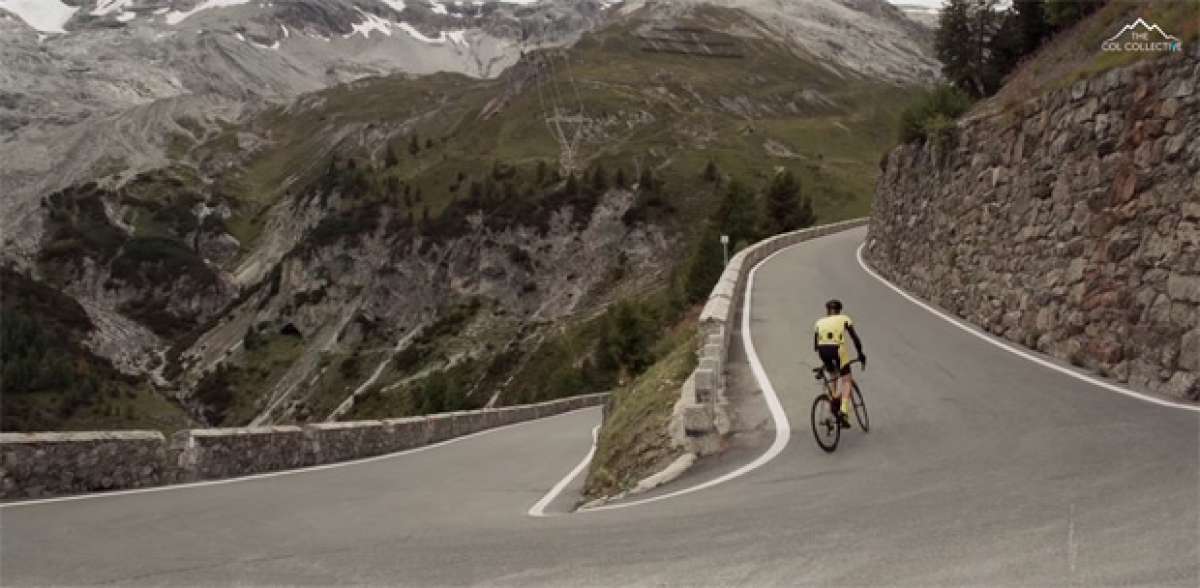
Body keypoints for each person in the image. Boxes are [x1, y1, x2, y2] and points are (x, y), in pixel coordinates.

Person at [814, 299, 865, 428]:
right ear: (839, 311)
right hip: (837, 350)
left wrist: (826, 362)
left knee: (833, 377)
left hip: (823, 351)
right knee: (847, 380)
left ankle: (829, 411)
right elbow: (855, 338)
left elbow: (816, 346)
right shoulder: (844, 319)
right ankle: (843, 411)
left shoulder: (819, 322)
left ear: (827, 311)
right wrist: (861, 354)